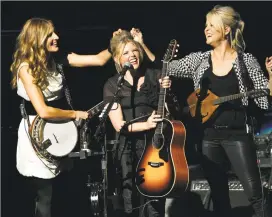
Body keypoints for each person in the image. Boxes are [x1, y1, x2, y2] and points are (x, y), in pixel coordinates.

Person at [165, 5, 272, 217]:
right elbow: (168, 67)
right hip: (209, 137)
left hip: (237, 135)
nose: (206, 30)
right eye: (205, 26)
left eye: (211, 25)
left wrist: (271, 76)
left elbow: (265, 99)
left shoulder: (246, 61)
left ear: (226, 30)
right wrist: (141, 46)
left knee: (255, 195)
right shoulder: (200, 59)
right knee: (218, 196)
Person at [10, 17, 115, 217]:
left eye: (55, 33)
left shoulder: (58, 60)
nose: (56, 37)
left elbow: (98, 60)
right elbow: (43, 110)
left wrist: (115, 43)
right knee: (45, 194)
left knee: (63, 191)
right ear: (37, 38)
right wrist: (75, 114)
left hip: (60, 128)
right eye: (50, 34)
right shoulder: (26, 68)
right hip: (37, 133)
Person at [103, 30, 171, 217]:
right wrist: (146, 124)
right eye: (125, 53)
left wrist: (167, 95)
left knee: (154, 199)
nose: (132, 55)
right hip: (127, 148)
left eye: (134, 51)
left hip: (154, 145)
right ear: (117, 59)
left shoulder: (155, 75)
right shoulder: (112, 85)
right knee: (130, 199)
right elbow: (119, 125)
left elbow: (170, 111)